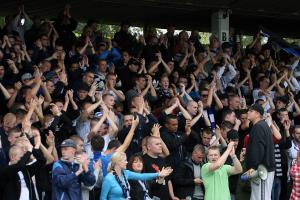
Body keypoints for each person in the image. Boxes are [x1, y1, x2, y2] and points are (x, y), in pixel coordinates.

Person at [100, 151, 172, 200]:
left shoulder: (126, 173)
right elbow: (102, 198)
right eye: (125, 160)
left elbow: (142, 176)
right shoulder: (108, 178)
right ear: (118, 162)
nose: (127, 162)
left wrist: (159, 174)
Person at [245, 104, 275, 200]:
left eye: (250, 111)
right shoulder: (263, 125)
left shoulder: (258, 127)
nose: (248, 112)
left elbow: (258, 151)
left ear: (257, 114)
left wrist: (253, 167)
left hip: (262, 170)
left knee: (261, 198)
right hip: (263, 169)